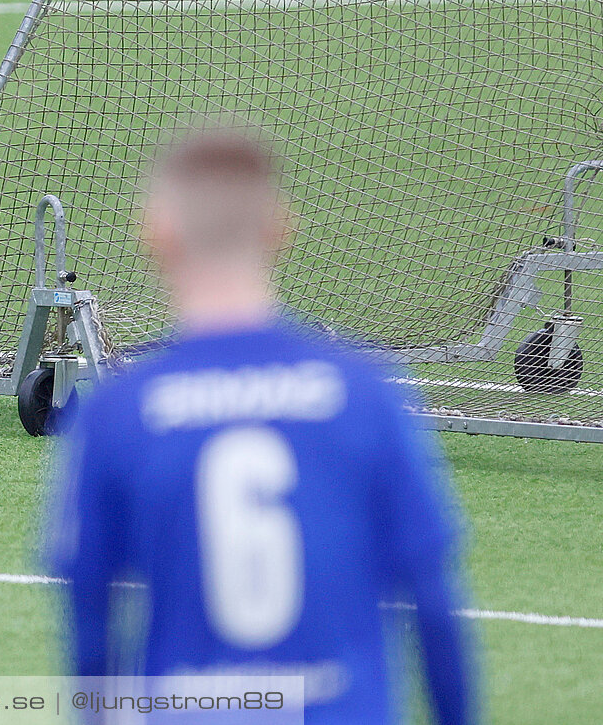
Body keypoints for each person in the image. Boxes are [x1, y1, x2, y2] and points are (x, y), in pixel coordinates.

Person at [44, 126, 472, 724]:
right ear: (280, 228)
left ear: (157, 235)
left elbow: (90, 612)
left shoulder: (118, 413)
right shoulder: (364, 393)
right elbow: (432, 599)